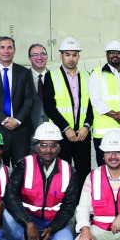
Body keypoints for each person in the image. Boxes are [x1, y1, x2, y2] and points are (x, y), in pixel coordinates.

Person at [2, 122, 79, 240]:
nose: (48, 150)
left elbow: (69, 206)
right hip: (27, 217)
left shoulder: (68, 170)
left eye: (53, 145)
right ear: (37, 147)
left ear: (59, 147)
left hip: (51, 220)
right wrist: (28, 222)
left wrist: (53, 228)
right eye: (44, 145)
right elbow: (10, 195)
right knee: (8, 216)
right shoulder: (24, 165)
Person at [0, 35, 35, 165]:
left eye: (10, 47)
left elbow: (29, 99)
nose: (6, 51)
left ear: (14, 50)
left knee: (21, 170)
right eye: (2, 47)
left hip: (20, 131)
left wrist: (17, 120)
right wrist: (5, 120)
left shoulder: (24, 72)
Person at [42, 37, 94, 176]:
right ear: (61, 56)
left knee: (84, 172)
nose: (71, 58)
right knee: (62, 173)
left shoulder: (87, 76)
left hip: (82, 134)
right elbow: (49, 106)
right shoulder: (51, 76)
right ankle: (64, 199)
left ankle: (82, 198)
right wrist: (66, 128)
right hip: (61, 134)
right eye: (67, 54)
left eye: (74, 54)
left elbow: (92, 105)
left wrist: (86, 126)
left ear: (79, 56)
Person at [26, 43, 51, 131]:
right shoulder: (22, 78)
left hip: (52, 131)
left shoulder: (55, 77)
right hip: (29, 131)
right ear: (30, 58)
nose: (39, 58)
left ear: (47, 57)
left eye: (43, 54)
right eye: (35, 55)